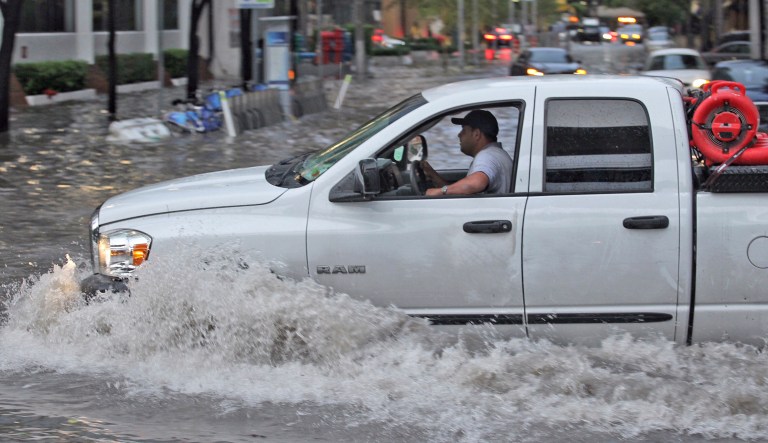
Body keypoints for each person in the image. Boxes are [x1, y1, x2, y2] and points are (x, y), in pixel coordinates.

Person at [423, 110, 513, 196]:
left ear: (476, 134)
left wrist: (441, 191)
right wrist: (433, 175)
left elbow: (477, 183)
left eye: (464, 130)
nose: (459, 134)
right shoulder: (495, 154)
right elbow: (459, 191)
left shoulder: (486, 156)